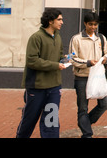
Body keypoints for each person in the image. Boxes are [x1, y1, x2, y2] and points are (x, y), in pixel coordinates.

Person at [16, 8, 66, 138]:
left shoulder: (58, 37)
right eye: (59, 19)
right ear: (50, 21)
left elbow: (59, 56)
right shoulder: (36, 38)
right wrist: (55, 65)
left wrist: (66, 59)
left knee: (51, 121)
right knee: (29, 120)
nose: (62, 22)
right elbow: (32, 61)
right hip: (36, 87)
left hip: (54, 87)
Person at [69, 12, 107, 138]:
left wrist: (105, 59)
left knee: (105, 103)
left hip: (98, 77)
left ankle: (85, 122)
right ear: (85, 24)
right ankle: (87, 133)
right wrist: (87, 63)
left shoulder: (101, 38)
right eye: (90, 24)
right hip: (82, 78)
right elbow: (72, 59)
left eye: (95, 24)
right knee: (83, 107)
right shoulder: (76, 39)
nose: (93, 27)